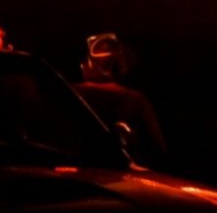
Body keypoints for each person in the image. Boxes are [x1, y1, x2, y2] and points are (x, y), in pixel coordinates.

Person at [71, 33, 167, 168]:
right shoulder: (137, 100)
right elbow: (159, 148)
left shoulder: (71, 92)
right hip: (126, 175)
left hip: (77, 172)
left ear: (87, 64)